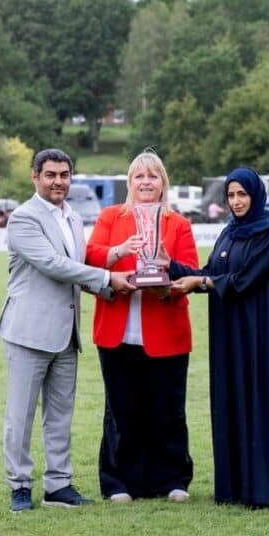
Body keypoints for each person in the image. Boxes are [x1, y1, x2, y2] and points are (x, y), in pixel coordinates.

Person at [0, 148, 135, 513]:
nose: (58, 181)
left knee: (60, 415)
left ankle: (58, 485)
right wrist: (108, 278)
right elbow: (53, 265)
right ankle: (20, 486)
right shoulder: (23, 218)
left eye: (65, 174)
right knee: (20, 416)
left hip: (66, 333)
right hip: (27, 332)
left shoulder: (72, 218)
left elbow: (77, 267)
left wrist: (116, 282)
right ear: (35, 177)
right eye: (51, 174)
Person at [168, 167, 269, 511]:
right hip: (231, 336)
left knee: (263, 402)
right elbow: (211, 274)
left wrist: (199, 284)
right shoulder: (228, 235)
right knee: (234, 399)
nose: (236, 201)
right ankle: (237, 486)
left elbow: (243, 280)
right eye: (231, 195)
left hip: (261, 336)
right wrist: (170, 267)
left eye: (242, 194)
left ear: (255, 195)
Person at [85, 151, 199, 503]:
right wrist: (119, 251)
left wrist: (168, 279)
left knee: (168, 410)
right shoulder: (109, 217)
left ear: (163, 182)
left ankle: (173, 479)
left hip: (166, 330)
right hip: (117, 331)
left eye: (153, 176)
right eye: (139, 177)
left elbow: (191, 271)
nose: (146, 182)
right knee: (122, 410)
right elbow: (89, 258)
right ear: (129, 183)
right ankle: (120, 482)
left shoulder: (178, 223)